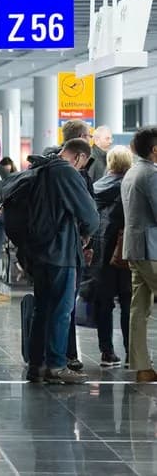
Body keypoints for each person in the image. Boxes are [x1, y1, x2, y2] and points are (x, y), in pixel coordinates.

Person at [27, 139, 98, 384]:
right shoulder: (66, 172)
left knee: (41, 308)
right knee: (61, 310)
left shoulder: (39, 167)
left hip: (38, 251)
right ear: (79, 157)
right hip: (62, 251)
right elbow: (89, 214)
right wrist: (87, 234)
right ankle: (56, 365)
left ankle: (36, 365)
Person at [87, 146, 132, 368]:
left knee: (103, 304)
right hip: (123, 251)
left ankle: (107, 352)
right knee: (128, 303)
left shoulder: (96, 186)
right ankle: (131, 353)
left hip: (100, 251)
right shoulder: (127, 187)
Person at [121, 128, 157, 383]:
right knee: (139, 308)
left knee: (139, 308)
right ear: (155, 150)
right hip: (152, 249)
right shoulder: (151, 174)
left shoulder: (132, 171)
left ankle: (142, 366)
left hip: (135, 248)